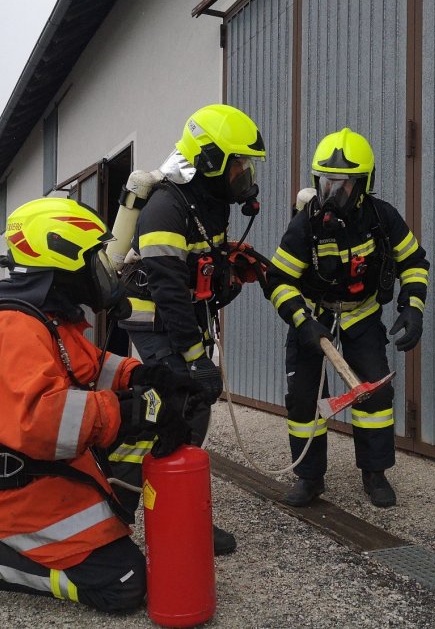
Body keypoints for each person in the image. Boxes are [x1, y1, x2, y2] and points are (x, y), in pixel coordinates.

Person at [0, 197, 203, 613]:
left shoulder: (44, 319)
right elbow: (42, 422)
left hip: (37, 471)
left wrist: (148, 378)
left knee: (143, 437)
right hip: (11, 486)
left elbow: (91, 367)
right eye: (93, 258)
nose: (102, 270)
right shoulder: (10, 329)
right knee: (125, 586)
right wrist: (133, 410)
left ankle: (98, 522)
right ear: (62, 260)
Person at [116, 103, 266, 555]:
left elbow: (201, 265)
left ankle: (170, 507)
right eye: (239, 164)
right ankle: (136, 512)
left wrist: (230, 271)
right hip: (155, 317)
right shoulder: (166, 207)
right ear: (210, 160)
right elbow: (168, 289)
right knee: (180, 400)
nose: (244, 173)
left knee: (186, 405)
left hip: (181, 315)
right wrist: (196, 358)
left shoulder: (208, 202)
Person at [265, 128, 429, 508]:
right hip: (314, 316)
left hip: (361, 314)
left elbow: (414, 262)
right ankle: (309, 478)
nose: (332, 192)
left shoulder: (382, 217)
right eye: (326, 182)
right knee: (304, 398)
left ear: (363, 184)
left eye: (343, 185)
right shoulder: (305, 223)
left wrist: (413, 308)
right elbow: (278, 279)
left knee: (375, 392)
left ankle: (375, 474)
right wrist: (302, 320)